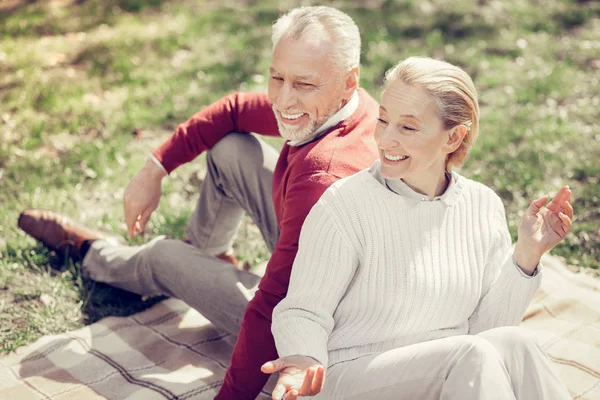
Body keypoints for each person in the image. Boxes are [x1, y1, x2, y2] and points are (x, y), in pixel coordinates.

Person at [16, 6, 379, 399]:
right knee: (231, 148)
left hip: (317, 334)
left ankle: (94, 252)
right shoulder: (344, 106)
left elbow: (272, 304)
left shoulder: (323, 175)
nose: (284, 98)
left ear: (347, 81)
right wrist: (155, 167)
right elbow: (236, 109)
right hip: (322, 266)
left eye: (303, 84)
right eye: (277, 77)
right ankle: (207, 259)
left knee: (163, 257)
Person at [263, 57, 574, 400]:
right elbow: (304, 309)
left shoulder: (482, 205)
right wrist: (303, 359)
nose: (385, 139)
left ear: (454, 137)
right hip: (346, 377)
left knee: (516, 342)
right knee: (473, 354)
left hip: (453, 377)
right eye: (383, 120)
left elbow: (486, 331)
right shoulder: (345, 205)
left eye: (407, 127)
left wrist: (526, 255)